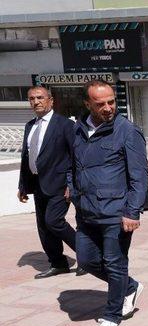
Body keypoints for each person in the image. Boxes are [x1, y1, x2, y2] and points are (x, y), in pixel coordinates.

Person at [71, 80, 147, 326]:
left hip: (116, 212)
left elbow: (139, 177)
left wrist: (132, 211)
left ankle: (112, 316)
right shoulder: (78, 130)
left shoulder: (127, 131)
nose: (108, 108)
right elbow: (73, 165)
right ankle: (131, 287)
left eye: (111, 101)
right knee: (87, 260)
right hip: (86, 211)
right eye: (100, 103)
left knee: (115, 264)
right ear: (87, 104)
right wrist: (72, 189)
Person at [17, 86, 85, 278]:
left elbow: (76, 157)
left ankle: (86, 256)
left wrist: (72, 185)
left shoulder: (65, 125)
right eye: (31, 99)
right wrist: (23, 185)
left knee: (54, 221)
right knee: (43, 226)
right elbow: (26, 158)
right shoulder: (30, 126)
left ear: (51, 100)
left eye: (40, 97)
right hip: (37, 183)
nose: (36, 102)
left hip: (60, 184)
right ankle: (58, 263)